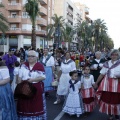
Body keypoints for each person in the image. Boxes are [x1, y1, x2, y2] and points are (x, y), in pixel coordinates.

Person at [17, 50, 47, 120]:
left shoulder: (40, 66)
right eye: (28, 56)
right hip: (24, 89)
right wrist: (20, 84)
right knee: (24, 105)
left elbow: (43, 77)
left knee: (35, 105)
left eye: (32, 56)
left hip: (36, 89)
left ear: (36, 57)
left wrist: (33, 80)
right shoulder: (24, 65)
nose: (30, 58)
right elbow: (19, 76)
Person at [94, 49, 120, 120]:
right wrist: (96, 83)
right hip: (106, 85)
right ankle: (110, 114)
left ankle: (116, 113)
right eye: (112, 54)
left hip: (117, 85)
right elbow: (102, 74)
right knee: (107, 100)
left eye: (116, 54)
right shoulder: (106, 63)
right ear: (110, 55)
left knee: (116, 100)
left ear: (118, 55)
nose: (114, 56)